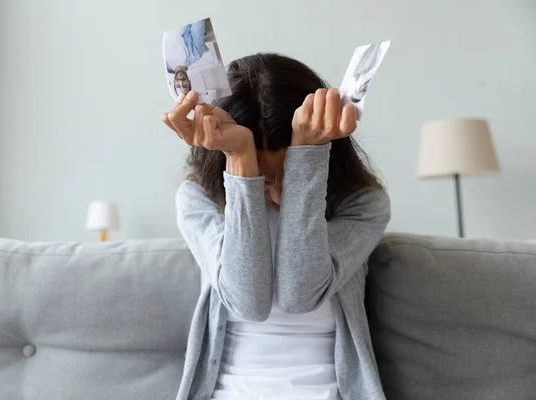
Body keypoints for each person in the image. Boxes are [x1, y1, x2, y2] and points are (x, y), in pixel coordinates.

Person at [162, 53, 390, 400]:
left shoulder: (362, 204)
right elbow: (248, 302)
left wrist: (308, 159)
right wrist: (240, 159)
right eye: (263, 175)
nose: (278, 190)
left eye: (291, 170)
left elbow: (300, 295)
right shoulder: (197, 200)